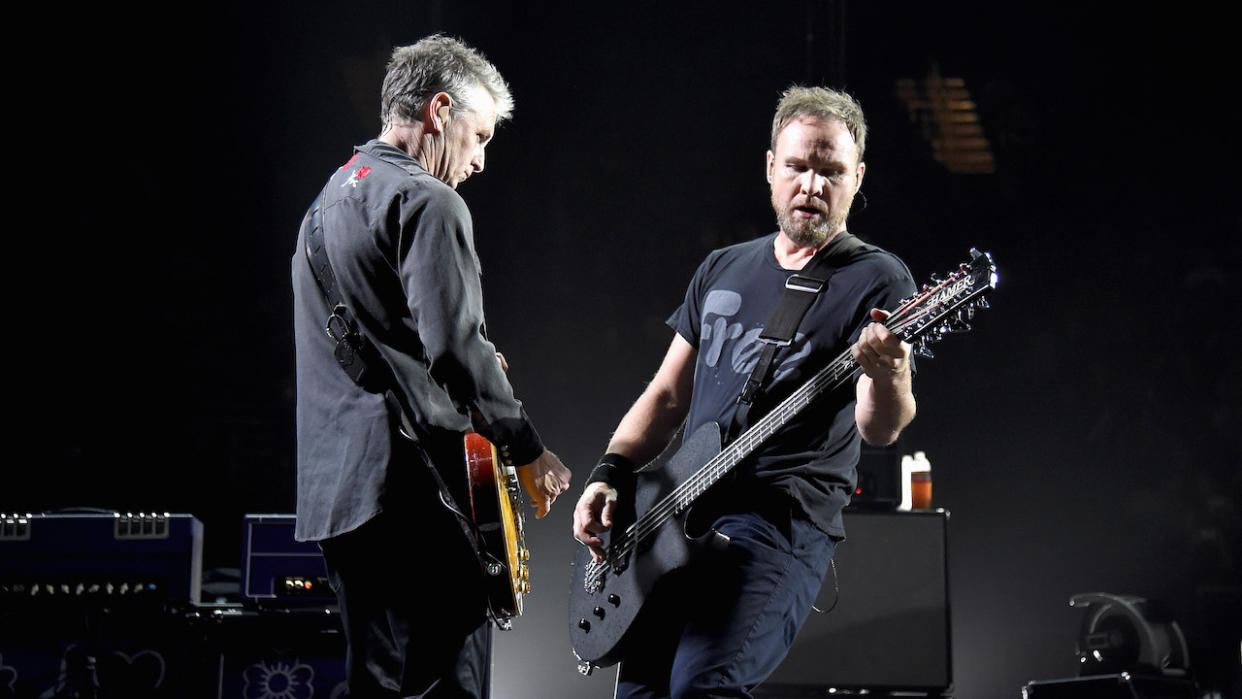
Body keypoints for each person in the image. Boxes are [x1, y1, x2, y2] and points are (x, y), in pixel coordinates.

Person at [572, 86, 917, 698]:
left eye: (831, 171)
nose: (812, 184)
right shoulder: (724, 266)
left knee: (703, 688)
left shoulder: (876, 277)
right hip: (677, 515)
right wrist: (610, 470)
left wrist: (887, 371)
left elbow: (880, 427)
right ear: (770, 168)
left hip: (777, 524)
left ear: (857, 178)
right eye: (797, 167)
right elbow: (667, 394)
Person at [292, 34, 572, 698]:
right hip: (411, 493)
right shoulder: (429, 201)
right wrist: (528, 449)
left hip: (339, 499)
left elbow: (386, 342)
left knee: (378, 680)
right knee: (456, 682)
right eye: (478, 137)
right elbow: (456, 350)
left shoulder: (324, 204)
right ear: (438, 111)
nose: (478, 161)